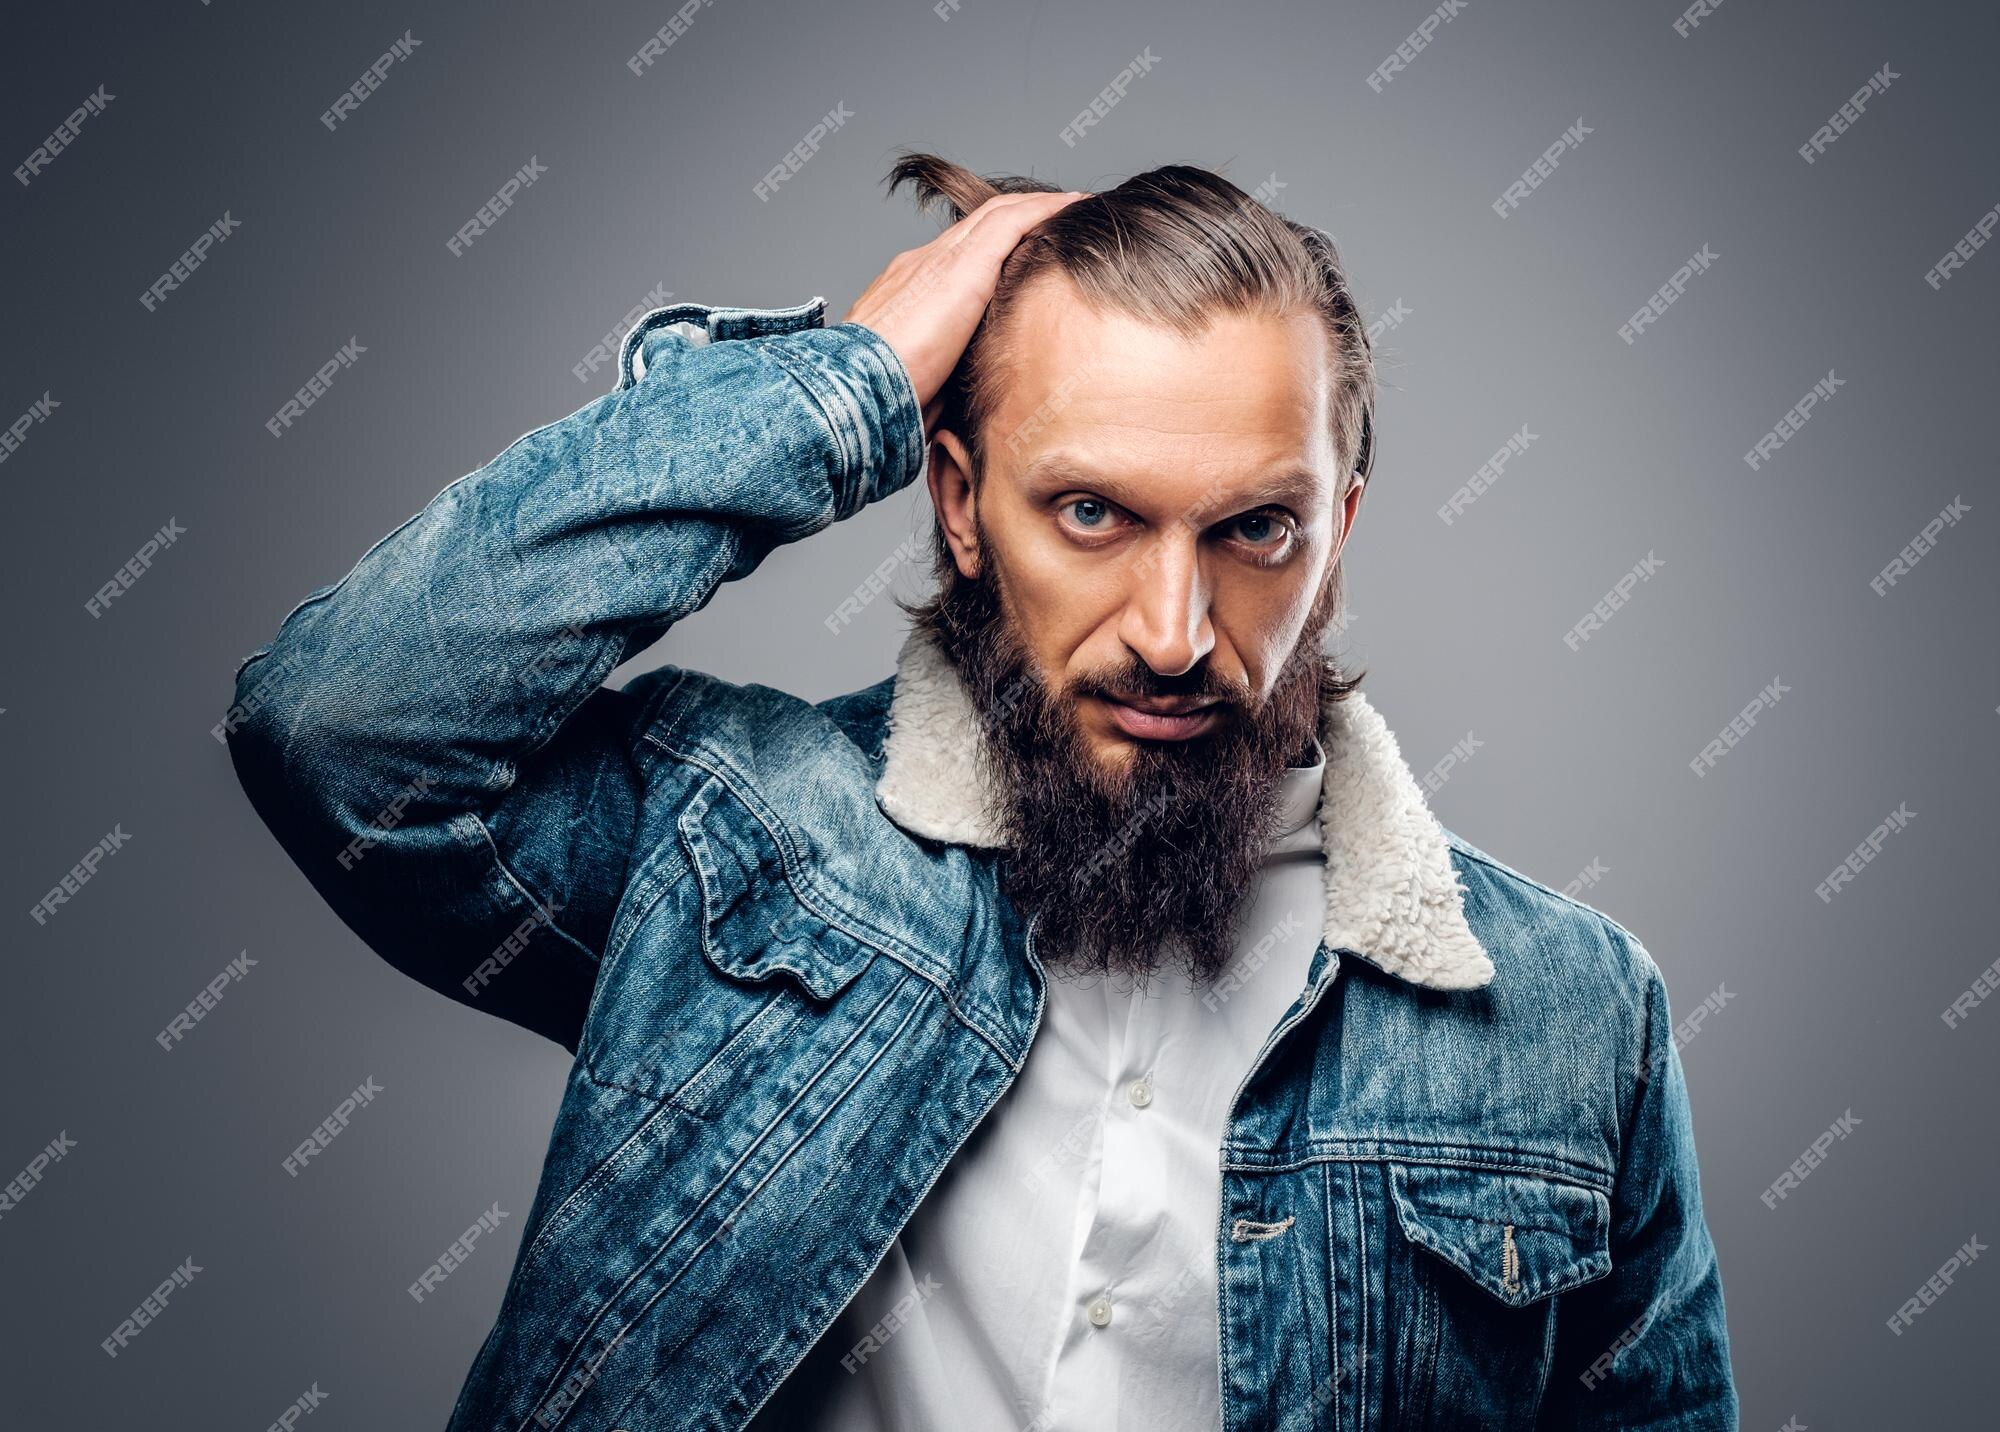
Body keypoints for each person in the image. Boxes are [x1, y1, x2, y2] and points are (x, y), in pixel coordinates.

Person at [226, 154, 1738, 1430]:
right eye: (1091, 512)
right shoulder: (743, 848)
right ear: (958, 503)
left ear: (1339, 527)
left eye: (1254, 532)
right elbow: (345, 724)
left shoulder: (1571, 1019)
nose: (1172, 630)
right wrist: (852, 388)